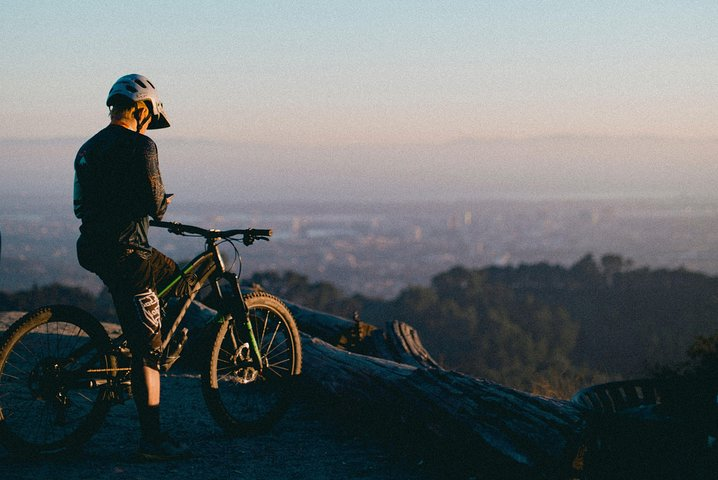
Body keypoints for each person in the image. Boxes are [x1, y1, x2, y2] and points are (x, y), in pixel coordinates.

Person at [73, 73, 189, 460]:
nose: (149, 124)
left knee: (175, 276)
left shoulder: (87, 149)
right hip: (128, 253)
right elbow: (155, 205)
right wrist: (163, 204)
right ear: (141, 110)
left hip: (91, 247)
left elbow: (81, 205)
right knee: (148, 351)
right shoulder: (143, 146)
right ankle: (152, 441)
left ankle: (145, 336)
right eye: (149, 117)